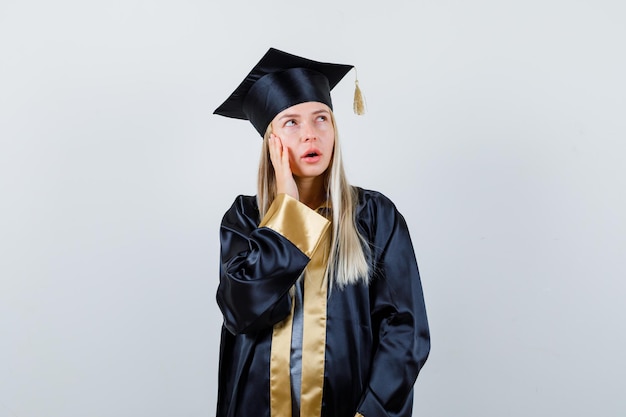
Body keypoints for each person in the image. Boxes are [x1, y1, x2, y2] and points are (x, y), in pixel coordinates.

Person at [213, 48, 430, 417]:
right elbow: (241, 312)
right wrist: (287, 210)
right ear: (271, 142)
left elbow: (404, 330)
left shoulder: (375, 216)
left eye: (321, 119)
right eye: (292, 123)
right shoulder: (246, 219)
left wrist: (371, 412)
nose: (311, 134)